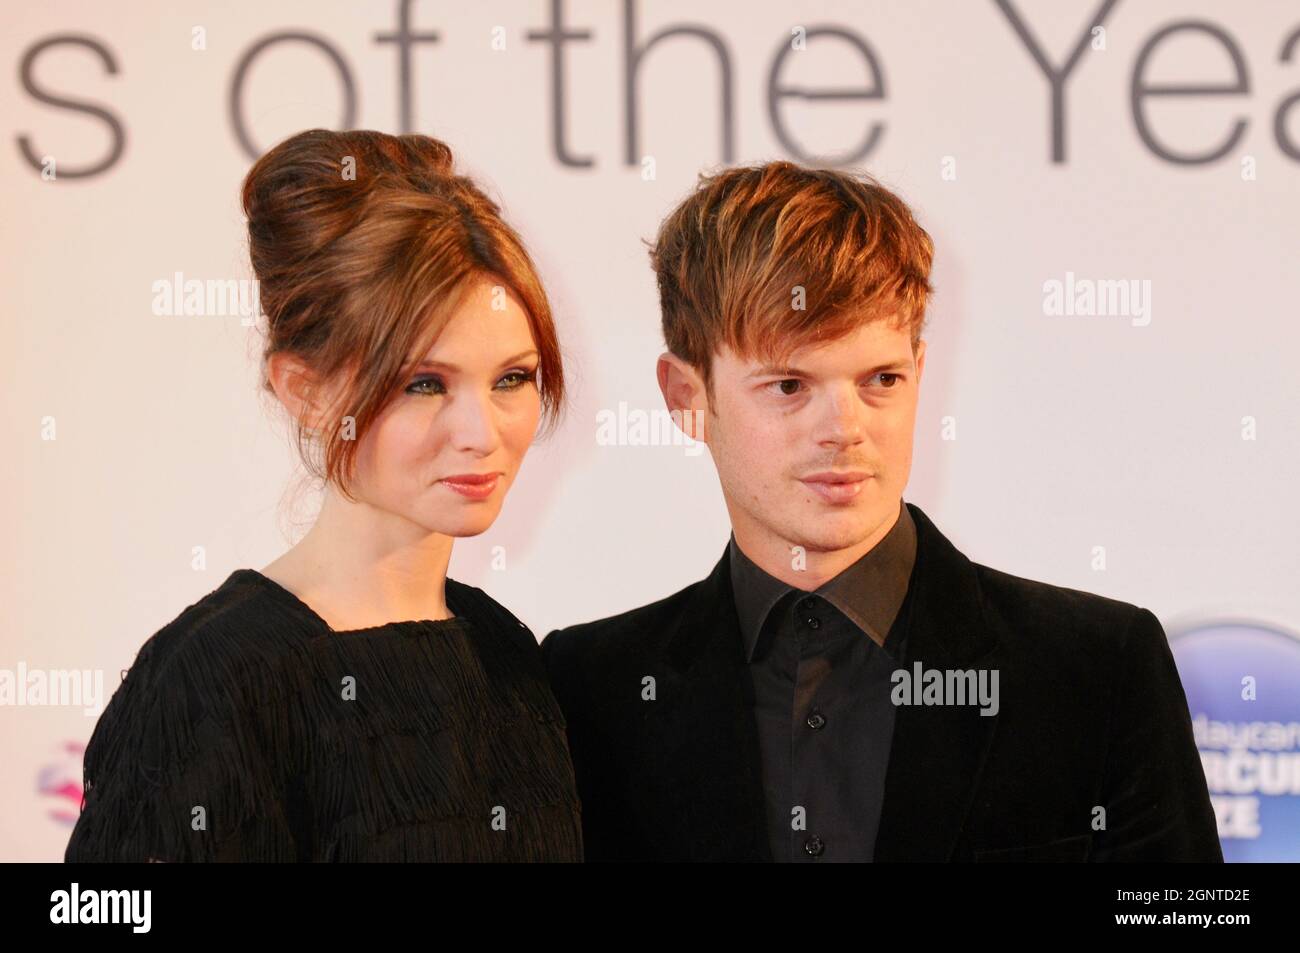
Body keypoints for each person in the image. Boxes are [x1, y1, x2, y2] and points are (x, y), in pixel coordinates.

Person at [540, 161, 1221, 862]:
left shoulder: (1096, 670)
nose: (845, 427)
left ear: (920, 374)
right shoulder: (589, 690)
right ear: (686, 395)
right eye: (789, 385)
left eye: (881, 380)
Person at [65, 129, 582, 862]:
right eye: (424, 384)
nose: (481, 432)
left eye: (512, 378)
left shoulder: (508, 655)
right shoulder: (214, 681)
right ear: (306, 391)